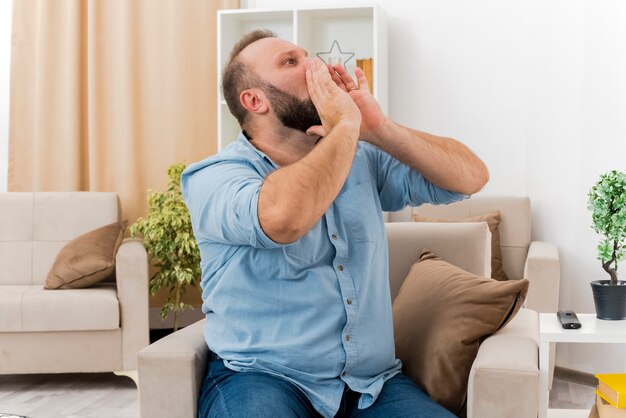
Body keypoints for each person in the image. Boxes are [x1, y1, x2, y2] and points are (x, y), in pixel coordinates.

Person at [181, 29, 489, 418]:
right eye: (290, 62)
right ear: (255, 100)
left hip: (371, 387)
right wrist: (345, 127)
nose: (316, 65)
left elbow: (470, 177)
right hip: (262, 378)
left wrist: (378, 128)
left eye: (307, 55)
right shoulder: (214, 177)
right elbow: (284, 219)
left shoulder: (361, 157)